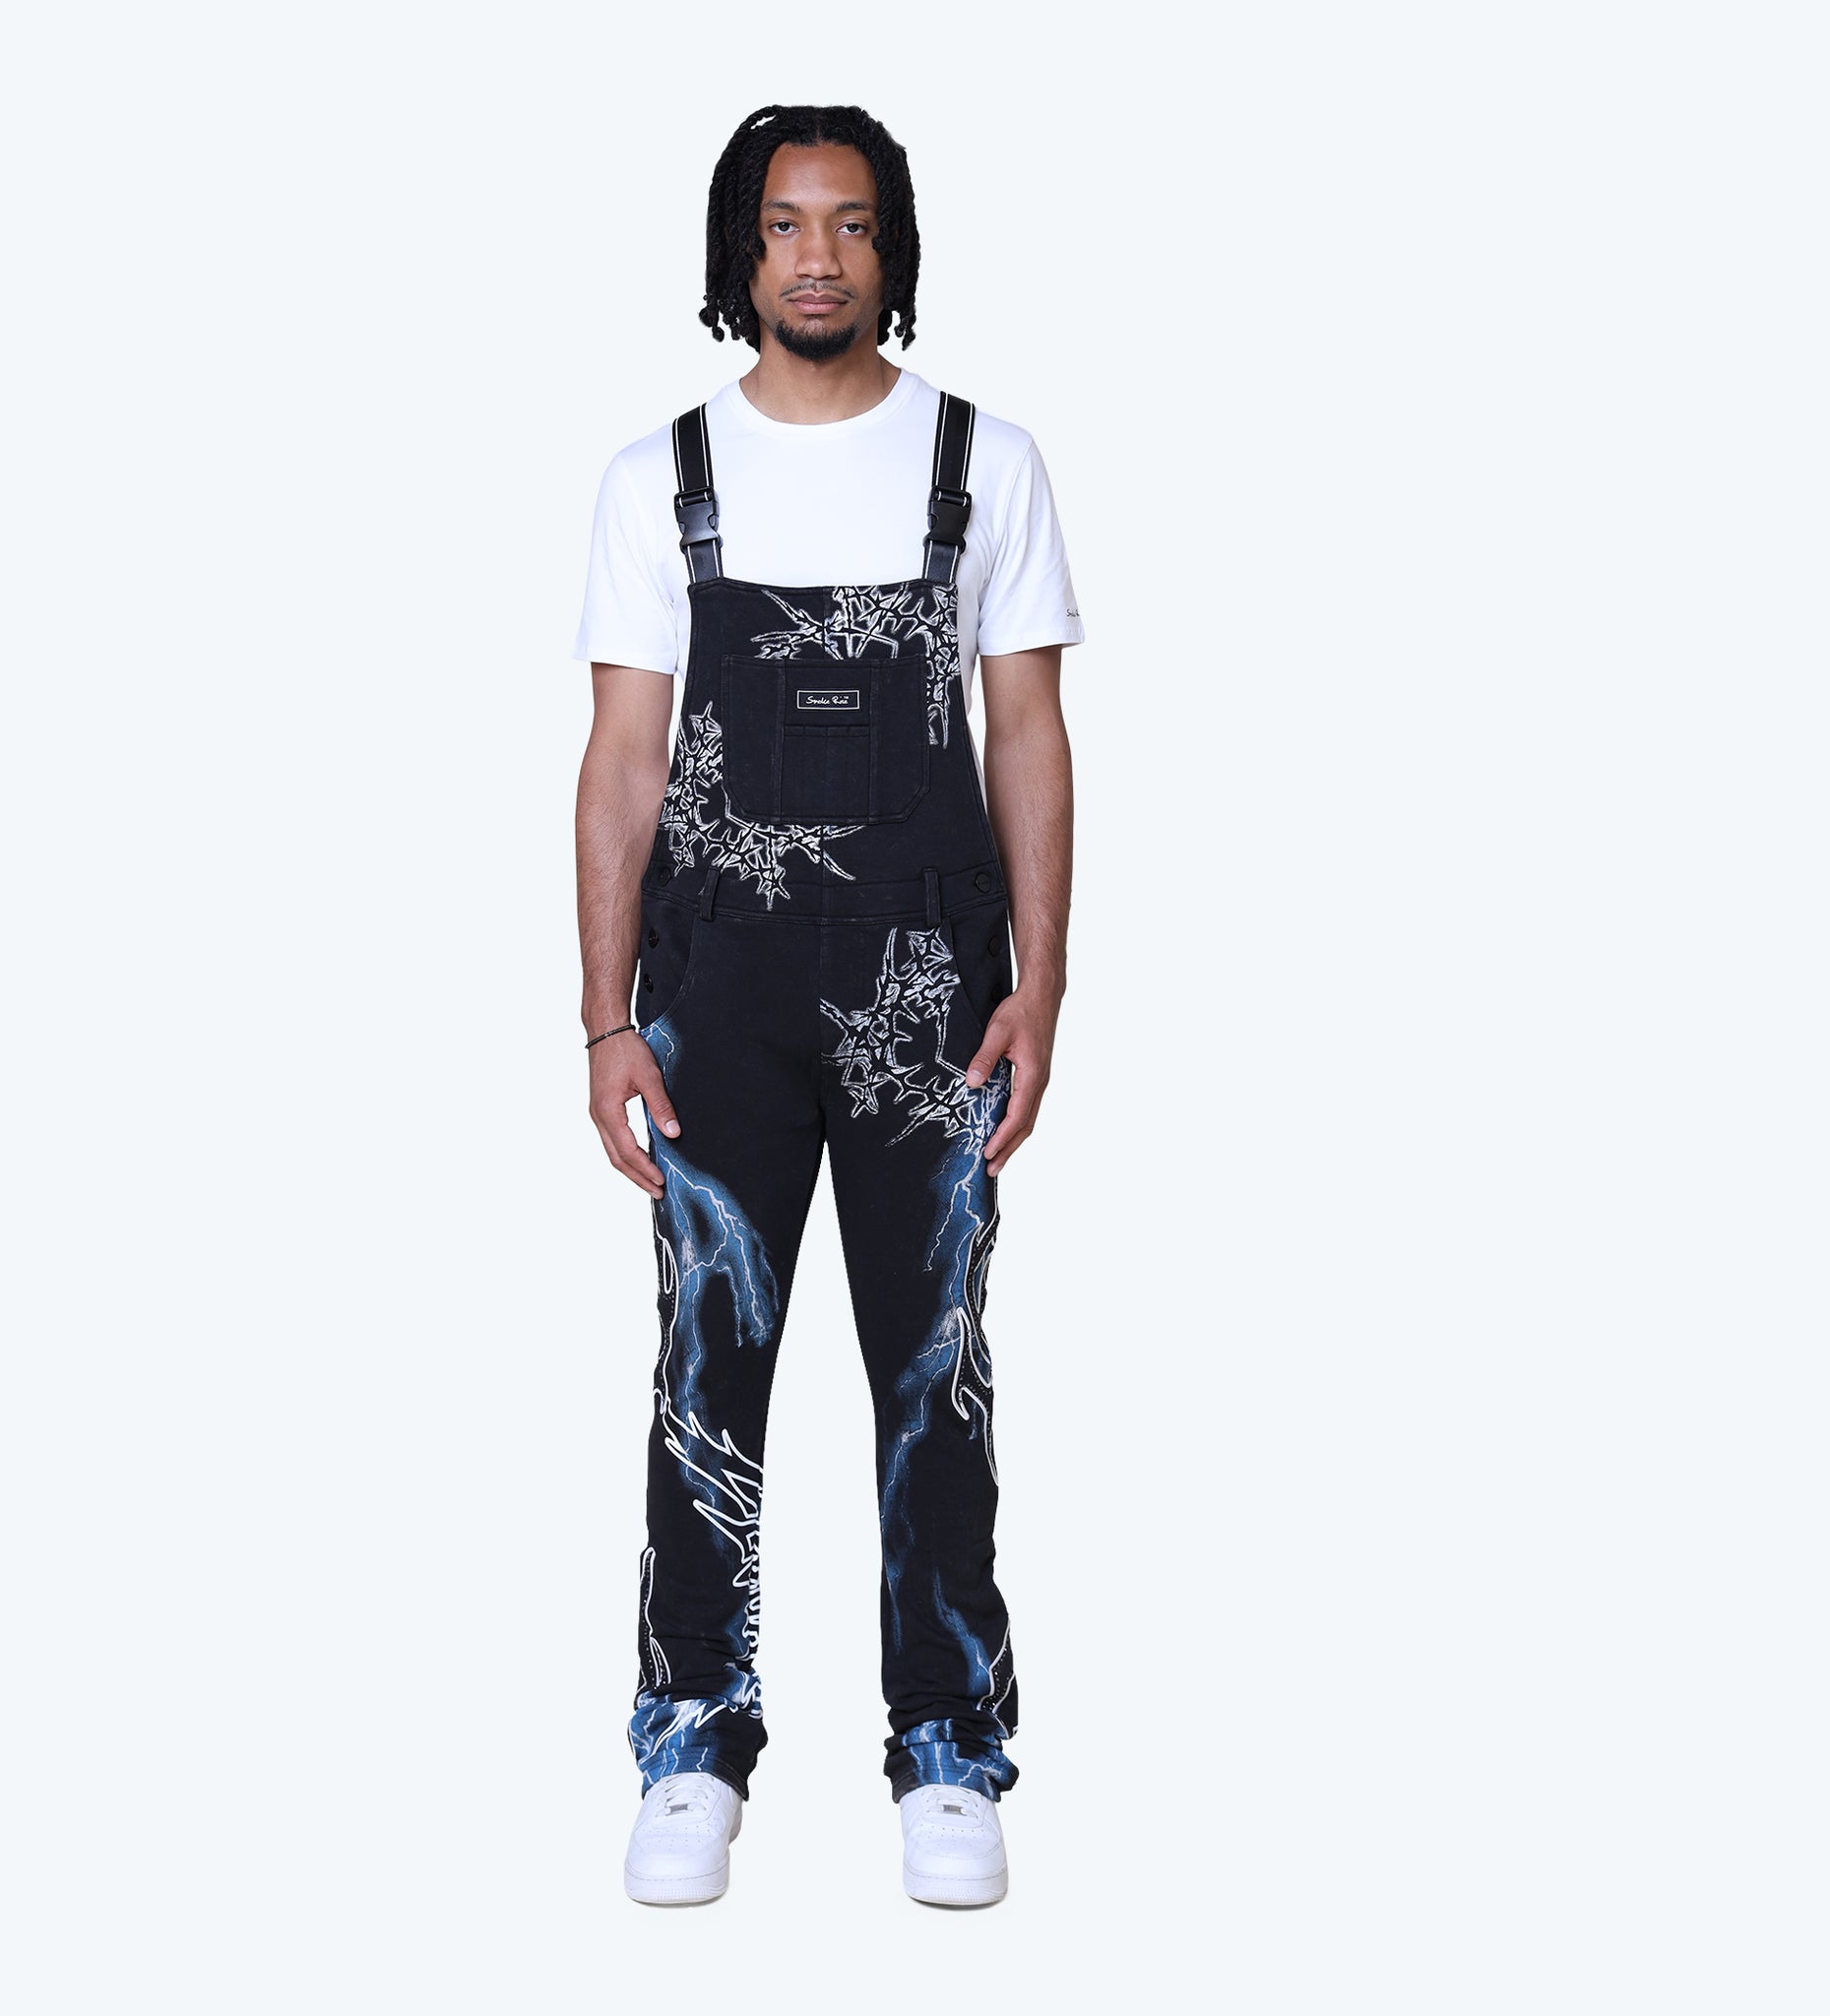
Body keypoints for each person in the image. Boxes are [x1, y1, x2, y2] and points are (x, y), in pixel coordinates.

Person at [573, 102, 1081, 1908]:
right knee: (708, 1362)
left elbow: (1029, 734)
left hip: (931, 986)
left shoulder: (982, 461)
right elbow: (623, 760)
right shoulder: (662, 477)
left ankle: (948, 1749)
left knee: (932, 1365)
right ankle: (691, 1742)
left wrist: (1043, 981)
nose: (816, 257)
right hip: (717, 987)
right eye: (786, 224)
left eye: (852, 225)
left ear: (893, 252)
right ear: (743, 251)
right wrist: (605, 1017)